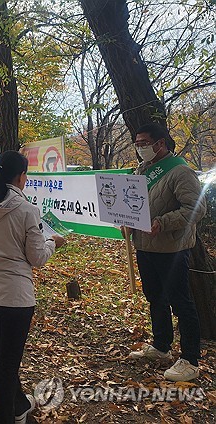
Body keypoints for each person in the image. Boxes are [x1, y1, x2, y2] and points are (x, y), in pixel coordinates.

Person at [0, 151, 65, 423]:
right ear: (21, 176)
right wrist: (54, 243)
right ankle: (2, 417)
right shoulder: (27, 210)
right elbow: (37, 257)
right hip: (15, 299)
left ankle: (18, 405)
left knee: (4, 357)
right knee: (7, 366)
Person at [126, 123, 206, 382]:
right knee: (155, 297)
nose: (140, 148)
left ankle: (190, 359)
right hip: (145, 246)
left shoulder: (180, 171)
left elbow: (196, 208)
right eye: (137, 144)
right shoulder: (142, 170)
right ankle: (161, 346)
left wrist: (163, 222)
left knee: (180, 301)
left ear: (160, 144)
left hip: (172, 248)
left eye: (143, 143)